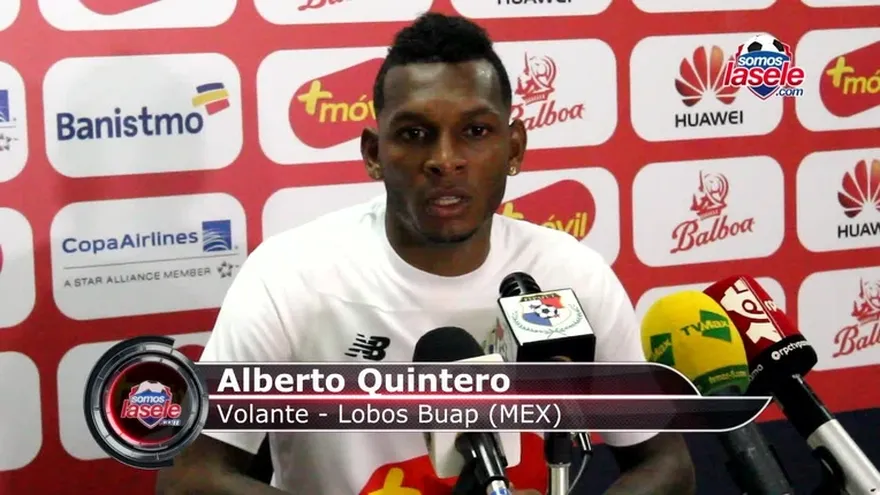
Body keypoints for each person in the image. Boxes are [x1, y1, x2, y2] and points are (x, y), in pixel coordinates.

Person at [155, 12, 696, 495]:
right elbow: (191, 477)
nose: (444, 160)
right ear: (373, 154)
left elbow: (665, 462)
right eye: (415, 133)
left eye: (475, 132)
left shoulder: (571, 275)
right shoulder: (290, 276)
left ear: (514, 149)